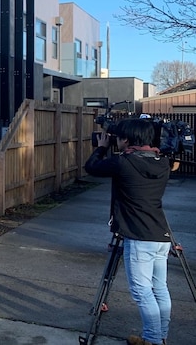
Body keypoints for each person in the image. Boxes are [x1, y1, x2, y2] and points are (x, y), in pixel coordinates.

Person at [84, 118, 171, 345]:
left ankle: (151, 340)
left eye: (119, 137)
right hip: (161, 235)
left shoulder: (123, 163)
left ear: (127, 139)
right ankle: (161, 336)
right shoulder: (163, 162)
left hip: (138, 236)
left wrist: (102, 148)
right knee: (159, 288)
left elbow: (91, 168)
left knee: (142, 292)